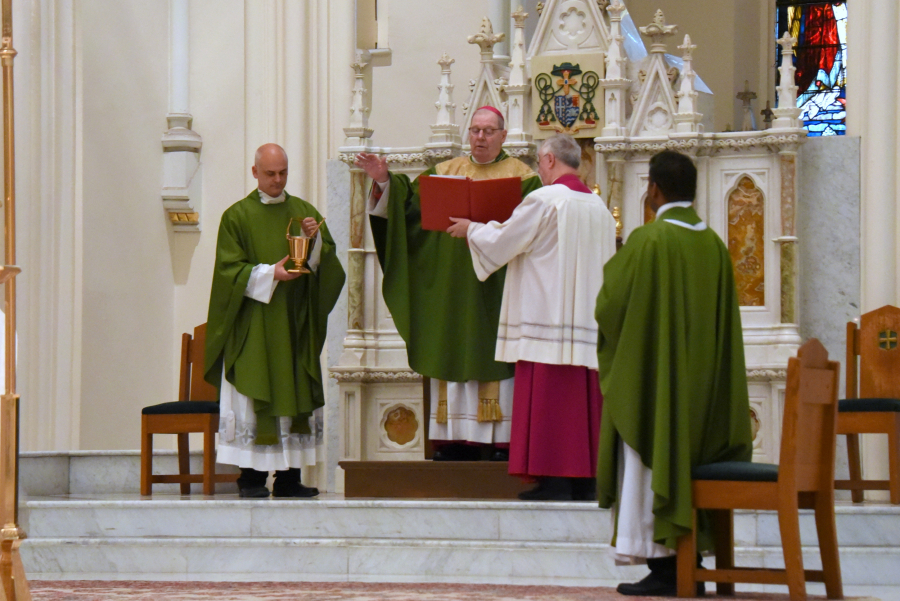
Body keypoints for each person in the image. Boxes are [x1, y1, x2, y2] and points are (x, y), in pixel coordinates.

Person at [594, 150, 753, 595]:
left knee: (651, 452)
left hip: (658, 385)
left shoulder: (651, 240)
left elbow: (609, 306)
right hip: (705, 397)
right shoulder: (714, 245)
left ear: (655, 189)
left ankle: (666, 569)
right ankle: (689, 562)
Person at [354, 106, 541, 461]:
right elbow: (407, 210)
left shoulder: (524, 179)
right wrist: (383, 181)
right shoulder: (444, 173)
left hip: (497, 290)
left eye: (488, 131)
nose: (480, 138)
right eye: (475, 131)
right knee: (451, 347)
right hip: (451, 290)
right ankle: (454, 439)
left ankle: (499, 442)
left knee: (495, 356)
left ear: (504, 136)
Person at [446, 134, 616, 500]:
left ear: (551, 160)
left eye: (540, 163)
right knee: (582, 405)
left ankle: (554, 481)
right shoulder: (598, 207)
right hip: (588, 323)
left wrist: (471, 229)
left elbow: (505, 240)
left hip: (547, 318)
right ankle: (584, 481)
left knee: (550, 405)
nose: (539, 170)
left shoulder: (545, 199)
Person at [204, 143, 346, 498]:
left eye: (283, 172)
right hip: (254, 323)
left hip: (294, 323)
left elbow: (326, 265)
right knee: (256, 395)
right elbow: (228, 272)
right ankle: (250, 480)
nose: (277, 179)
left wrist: (314, 242)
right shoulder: (236, 216)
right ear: (255, 173)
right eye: (270, 173)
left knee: (294, 392)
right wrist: (271, 274)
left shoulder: (303, 212)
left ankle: (288, 480)